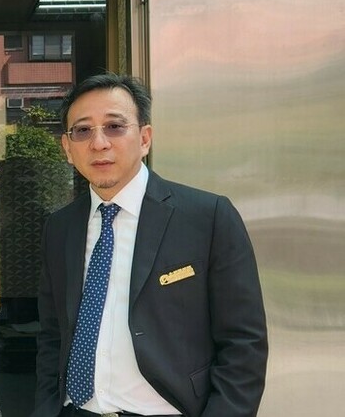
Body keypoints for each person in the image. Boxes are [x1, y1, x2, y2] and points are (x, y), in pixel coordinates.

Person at [33, 73, 267, 417]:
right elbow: (52, 335)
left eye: (114, 126)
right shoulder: (60, 227)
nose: (98, 143)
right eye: (82, 130)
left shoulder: (207, 217)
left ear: (144, 139)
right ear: (67, 149)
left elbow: (243, 345)